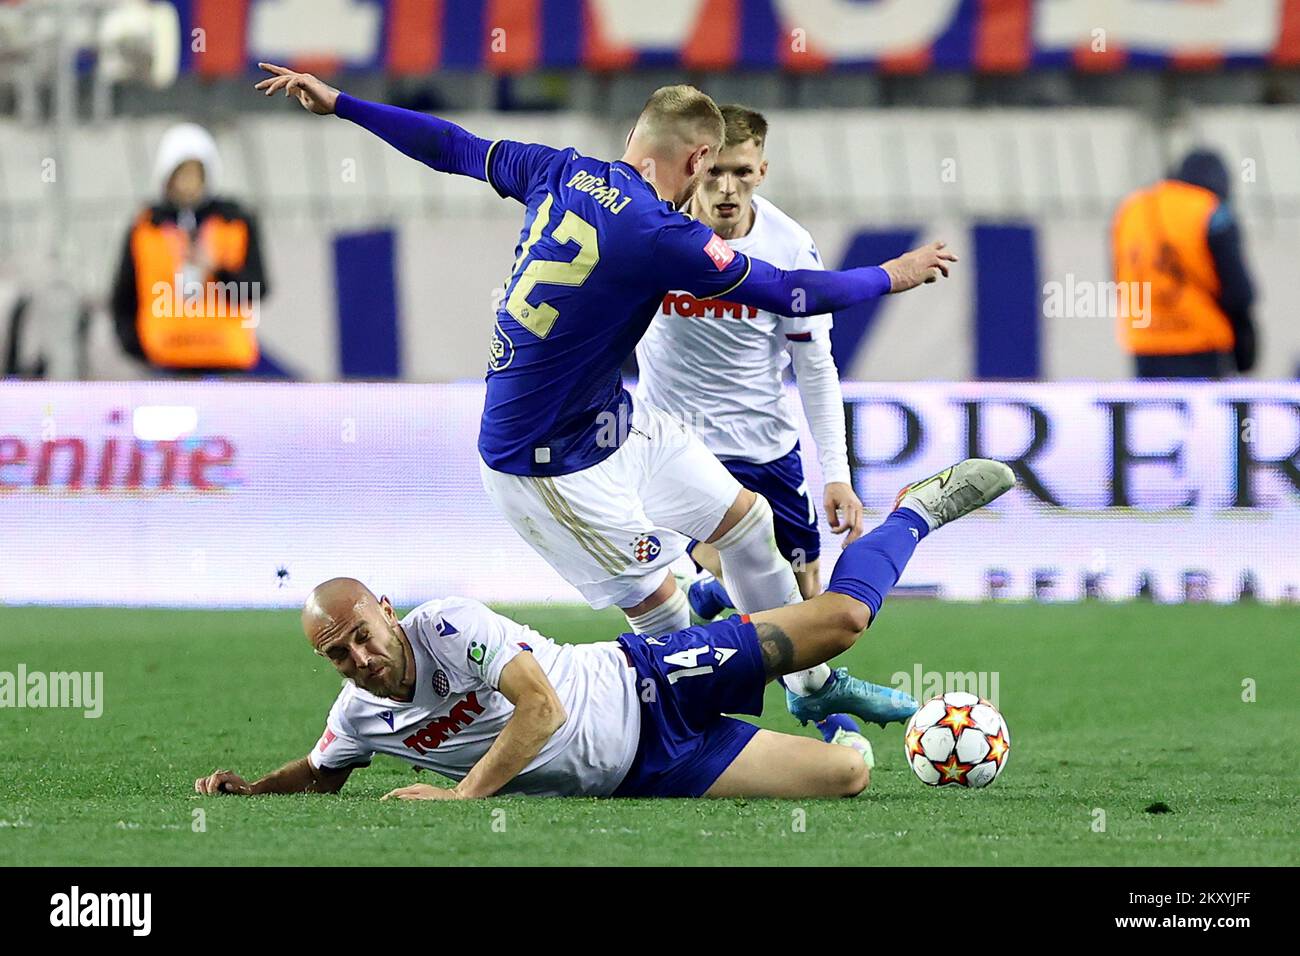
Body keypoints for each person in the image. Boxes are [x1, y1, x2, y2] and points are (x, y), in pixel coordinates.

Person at [255, 64, 954, 727]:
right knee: (668, 615)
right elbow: (794, 292)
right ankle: (699, 740)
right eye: (708, 171)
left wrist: (342, 102)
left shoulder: (559, 168)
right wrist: (893, 273)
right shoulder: (658, 233)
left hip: (612, 420)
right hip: (542, 463)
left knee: (746, 526)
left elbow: (451, 146)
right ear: (696, 159)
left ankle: (809, 686)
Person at [193, 458, 1015, 802]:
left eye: (363, 633)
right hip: (649, 771)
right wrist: (254, 791)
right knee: (846, 777)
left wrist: (462, 798)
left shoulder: (445, 625)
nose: (362, 658)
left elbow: (541, 710)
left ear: (382, 605)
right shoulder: (359, 716)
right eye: (339, 656)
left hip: (650, 679)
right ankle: (827, 713)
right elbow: (325, 771)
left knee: (842, 619)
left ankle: (913, 512)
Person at [110, 123, 270, 374]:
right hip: (165, 362)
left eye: (195, 174)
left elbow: (257, 288)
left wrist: (217, 270)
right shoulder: (145, 227)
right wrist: (137, 347)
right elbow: (123, 297)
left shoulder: (235, 222)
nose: (188, 184)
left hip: (225, 359)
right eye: (181, 174)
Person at [1112, 148, 1257, 379]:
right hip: (1201, 346)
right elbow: (1238, 292)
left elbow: (1118, 278)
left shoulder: (1130, 210)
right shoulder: (1212, 212)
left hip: (1145, 346)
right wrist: (1246, 351)